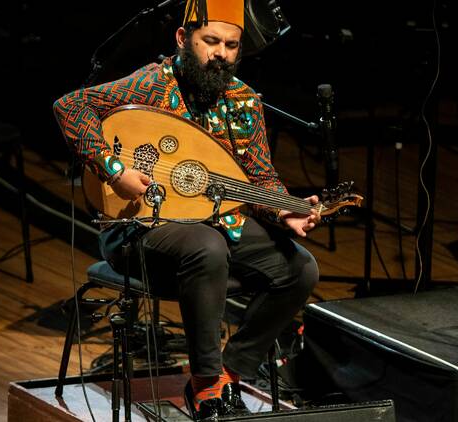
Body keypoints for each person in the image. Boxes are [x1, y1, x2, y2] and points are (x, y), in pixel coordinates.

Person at [53, 0, 319, 419]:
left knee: (299, 269)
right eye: (211, 41)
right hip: (137, 228)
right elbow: (70, 106)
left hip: (214, 224)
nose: (222, 54)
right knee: (208, 245)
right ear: (183, 39)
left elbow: (260, 179)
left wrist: (283, 210)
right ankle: (205, 383)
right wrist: (115, 170)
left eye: (232, 45)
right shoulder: (151, 85)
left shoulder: (243, 102)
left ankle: (230, 376)